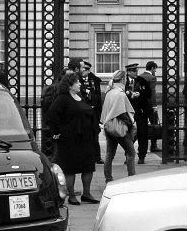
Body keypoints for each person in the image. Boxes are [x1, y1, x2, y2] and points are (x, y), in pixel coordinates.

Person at [47, 71, 98, 204]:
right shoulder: (63, 98)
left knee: (88, 166)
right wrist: (57, 132)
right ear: (69, 85)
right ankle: (71, 195)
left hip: (86, 139)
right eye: (77, 82)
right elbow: (52, 115)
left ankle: (86, 193)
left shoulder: (80, 96)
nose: (79, 84)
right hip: (70, 139)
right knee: (70, 168)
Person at [100, 70, 138, 182]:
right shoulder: (120, 94)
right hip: (119, 127)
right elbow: (122, 112)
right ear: (122, 79)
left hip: (108, 126)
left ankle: (108, 179)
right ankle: (132, 178)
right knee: (131, 152)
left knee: (109, 155)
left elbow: (107, 111)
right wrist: (130, 123)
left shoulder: (109, 92)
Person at [123, 61, 153, 163]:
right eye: (134, 71)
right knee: (127, 134)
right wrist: (128, 95)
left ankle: (142, 156)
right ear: (128, 72)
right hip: (127, 112)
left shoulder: (141, 80)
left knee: (142, 133)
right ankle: (128, 155)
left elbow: (148, 93)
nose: (136, 72)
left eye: (136, 70)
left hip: (140, 111)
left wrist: (139, 94)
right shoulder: (123, 81)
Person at [141, 61, 162, 156]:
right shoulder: (152, 78)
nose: (155, 71)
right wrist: (154, 106)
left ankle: (141, 147)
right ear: (152, 68)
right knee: (154, 125)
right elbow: (152, 93)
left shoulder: (140, 76)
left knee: (142, 126)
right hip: (150, 106)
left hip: (141, 106)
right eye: (155, 69)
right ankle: (153, 146)